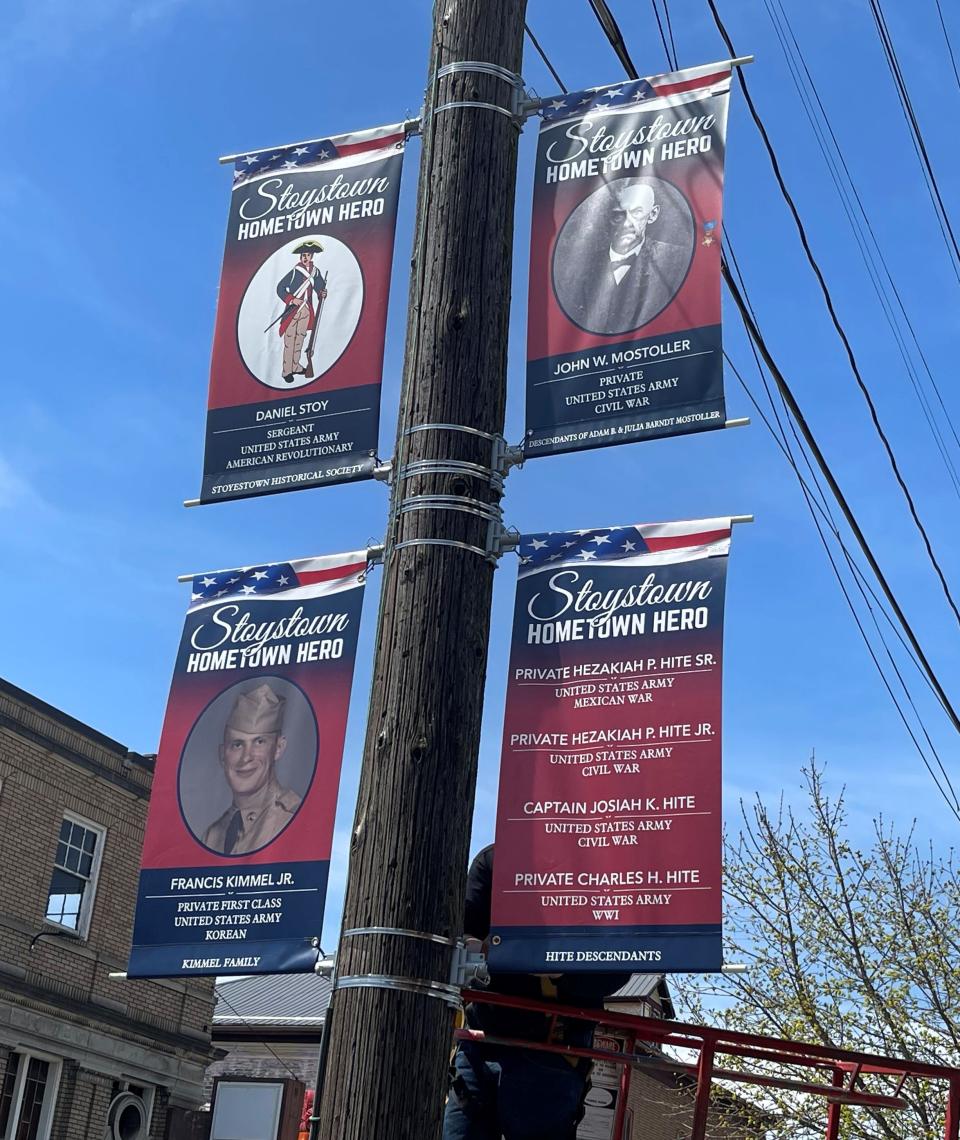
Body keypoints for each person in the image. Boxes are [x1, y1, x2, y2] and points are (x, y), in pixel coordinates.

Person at [443, 845, 630, 1140]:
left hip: (551, 1051)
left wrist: (556, 968)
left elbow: (618, 968)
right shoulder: (494, 860)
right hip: (481, 1043)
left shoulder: (603, 876)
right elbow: (464, 936)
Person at [553, 178, 691, 336]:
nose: (627, 223)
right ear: (607, 218)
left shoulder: (674, 260)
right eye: (619, 215)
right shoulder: (578, 268)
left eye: (637, 212)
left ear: (652, 214)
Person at [202, 683, 303, 855]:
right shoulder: (212, 835)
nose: (246, 757)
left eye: (259, 742)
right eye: (237, 744)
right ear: (222, 754)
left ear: (279, 747)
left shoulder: (295, 820)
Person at [275, 239, 328, 383]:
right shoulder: (294, 272)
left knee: (299, 340)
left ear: (312, 256)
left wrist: (322, 293)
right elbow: (280, 288)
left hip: (306, 311)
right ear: (301, 257)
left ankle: (296, 366)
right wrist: (291, 299)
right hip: (293, 311)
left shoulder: (315, 272)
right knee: (290, 341)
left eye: (308, 255)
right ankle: (287, 371)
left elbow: (319, 287)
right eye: (304, 255)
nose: (306, 258)